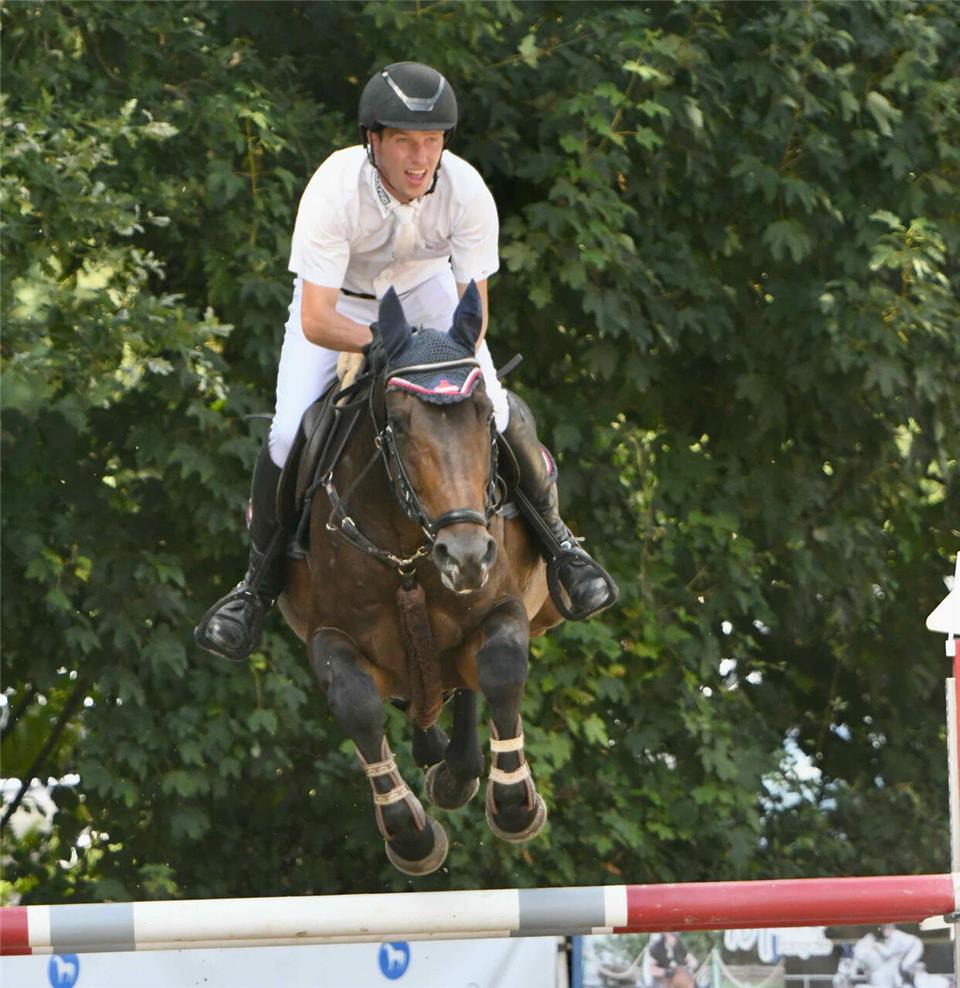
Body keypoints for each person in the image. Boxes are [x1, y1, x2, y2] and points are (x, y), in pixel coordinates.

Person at [195, 62, 617, 662]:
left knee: (493, 405)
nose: (420, 158)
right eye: (403, 142)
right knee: (290, 431)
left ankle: (562, 548)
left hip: (427, 294)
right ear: (374, 140)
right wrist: (379, 347)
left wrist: (432, 353)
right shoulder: (334, 189)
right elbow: (316, 317)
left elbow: (474, 314)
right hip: (341, 304)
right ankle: (254, 590)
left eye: (432, 141)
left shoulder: (466, 191)